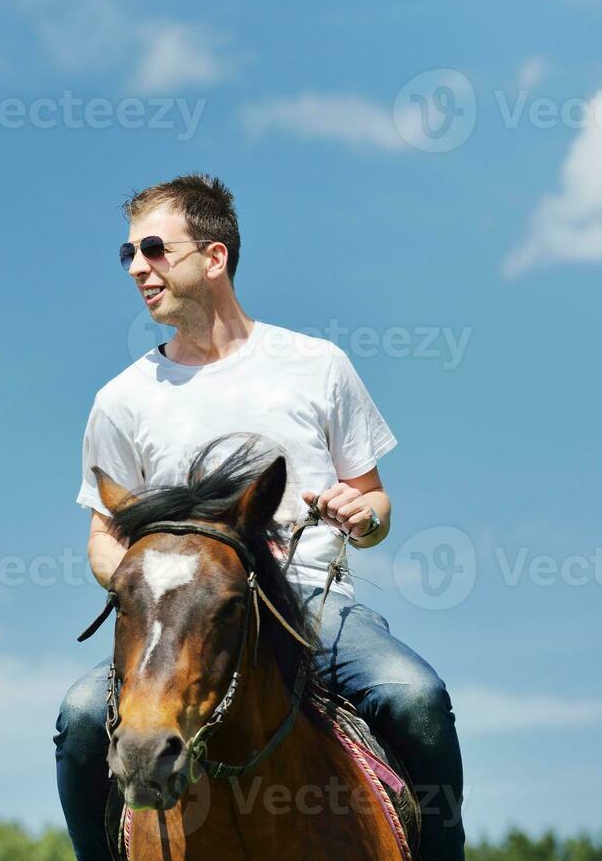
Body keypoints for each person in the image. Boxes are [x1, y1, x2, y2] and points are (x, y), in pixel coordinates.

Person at [53, 174, 464, 860]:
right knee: (81, 718)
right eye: (125, 254)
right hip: (178, 619)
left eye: (154, 249)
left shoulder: (316, 366)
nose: (136, 268)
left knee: (415, 697)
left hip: (308, 604)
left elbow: (376, 502)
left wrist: (359, 513)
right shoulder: (120, 401)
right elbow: (103, 538)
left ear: (213, 258)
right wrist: (143, 582)